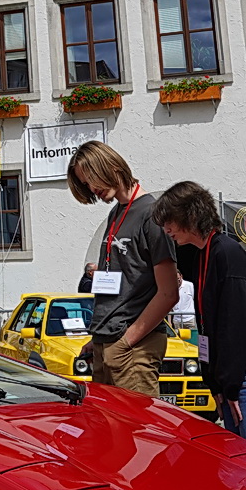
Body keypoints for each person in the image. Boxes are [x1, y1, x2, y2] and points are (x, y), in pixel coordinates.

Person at [152, 180, 246, 455]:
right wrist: (215, 382)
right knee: (241, 463)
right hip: (235, 378)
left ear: (189, 215)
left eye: (170, 221)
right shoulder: (205, 254)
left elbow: (236, 326)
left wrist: (230, 385)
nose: (166, 230)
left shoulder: (226, 254)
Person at [66, 141, 179, 397]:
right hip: (108, 342)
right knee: (110, 422)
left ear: (110, 167)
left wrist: (126, 342)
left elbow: (169, 292)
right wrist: (99, 338)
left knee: (137, 422)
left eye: (91, 179)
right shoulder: (116, 213)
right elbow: (123, 284)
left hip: (132, 348)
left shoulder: (152, 214)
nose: (91, 189)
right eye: (85, 184)